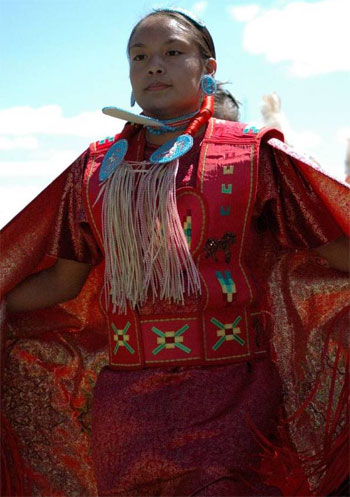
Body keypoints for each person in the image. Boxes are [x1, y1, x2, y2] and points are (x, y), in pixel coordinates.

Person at [1, 8, 349, 497]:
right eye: (139, 56)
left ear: (208, 68)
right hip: (126, 402)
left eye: (172, 52)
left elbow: (333, 250)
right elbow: (63, 281)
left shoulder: (254, 154)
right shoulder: (97, 168)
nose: (153, 66)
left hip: (233, 390)